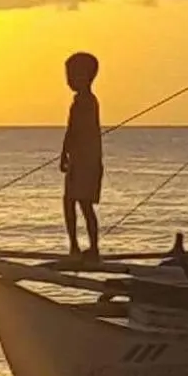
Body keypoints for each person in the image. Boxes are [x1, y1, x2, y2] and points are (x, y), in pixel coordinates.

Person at [59, 51, 102, 260]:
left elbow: (78, 130)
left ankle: (89, 248)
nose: (69, 80)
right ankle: (75, 247)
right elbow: (71, 130)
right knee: (70, 202)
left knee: (81, 203)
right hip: (79, 158)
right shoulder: (79, 101)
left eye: (73, 75)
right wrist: (64, 153)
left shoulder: (87, 101)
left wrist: (70, 152)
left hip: (87, 160)